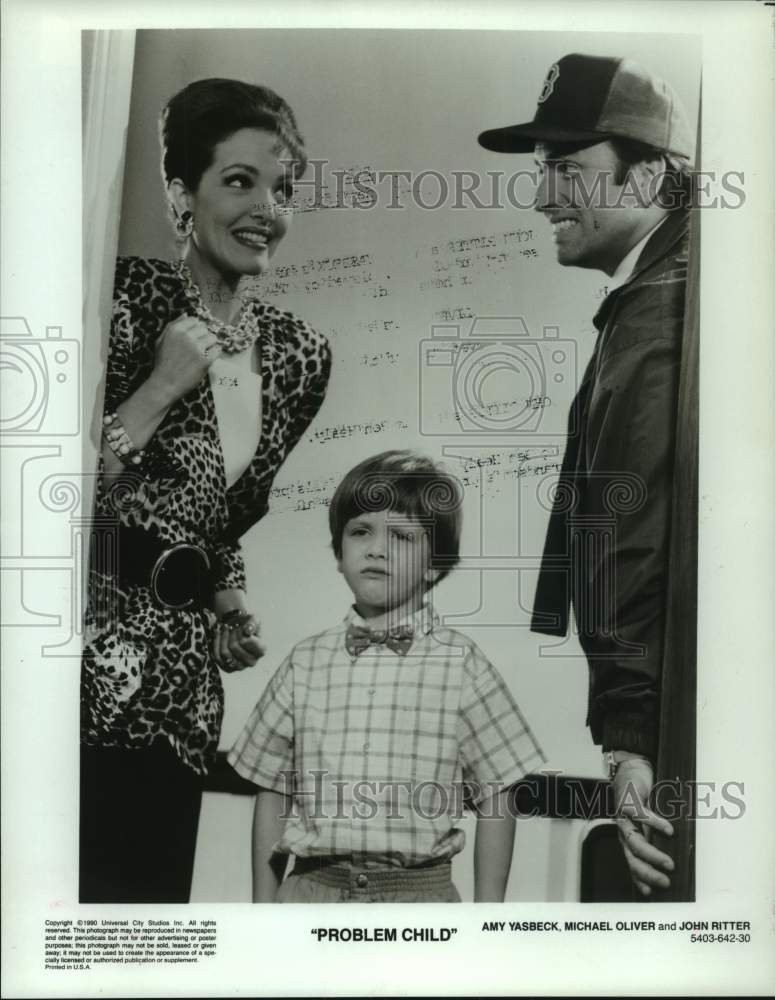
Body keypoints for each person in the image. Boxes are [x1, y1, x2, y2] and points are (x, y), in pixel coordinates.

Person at [80, 78, 332, 903]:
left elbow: (215, 515)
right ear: (181, 193)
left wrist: (227, 603)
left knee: (148, 931)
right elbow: (45, 498)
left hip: (184, 696)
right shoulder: (118, 298)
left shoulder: (297, 355)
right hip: (79, 673)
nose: (266, 209)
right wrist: (159, 388)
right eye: (239, 181)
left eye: (282, 188)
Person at [477, 53, 695, 896]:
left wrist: (630, 740)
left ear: (648, 175)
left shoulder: (657, 311)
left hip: (671, 718)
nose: (542, 198)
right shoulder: (672, 286)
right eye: (543, 170)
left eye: (566, 169)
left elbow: (626, 535)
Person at [228, 450, 545, 903]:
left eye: (401, 536)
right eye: (361, 531)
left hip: (417, 898)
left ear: (435, 564)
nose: (376, 548)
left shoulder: (462, 664)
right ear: (339, 554)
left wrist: (486, 919)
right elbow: (273, 789)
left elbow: (500, 791)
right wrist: (263, 911)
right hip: (311, 893)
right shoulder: (304, 663)